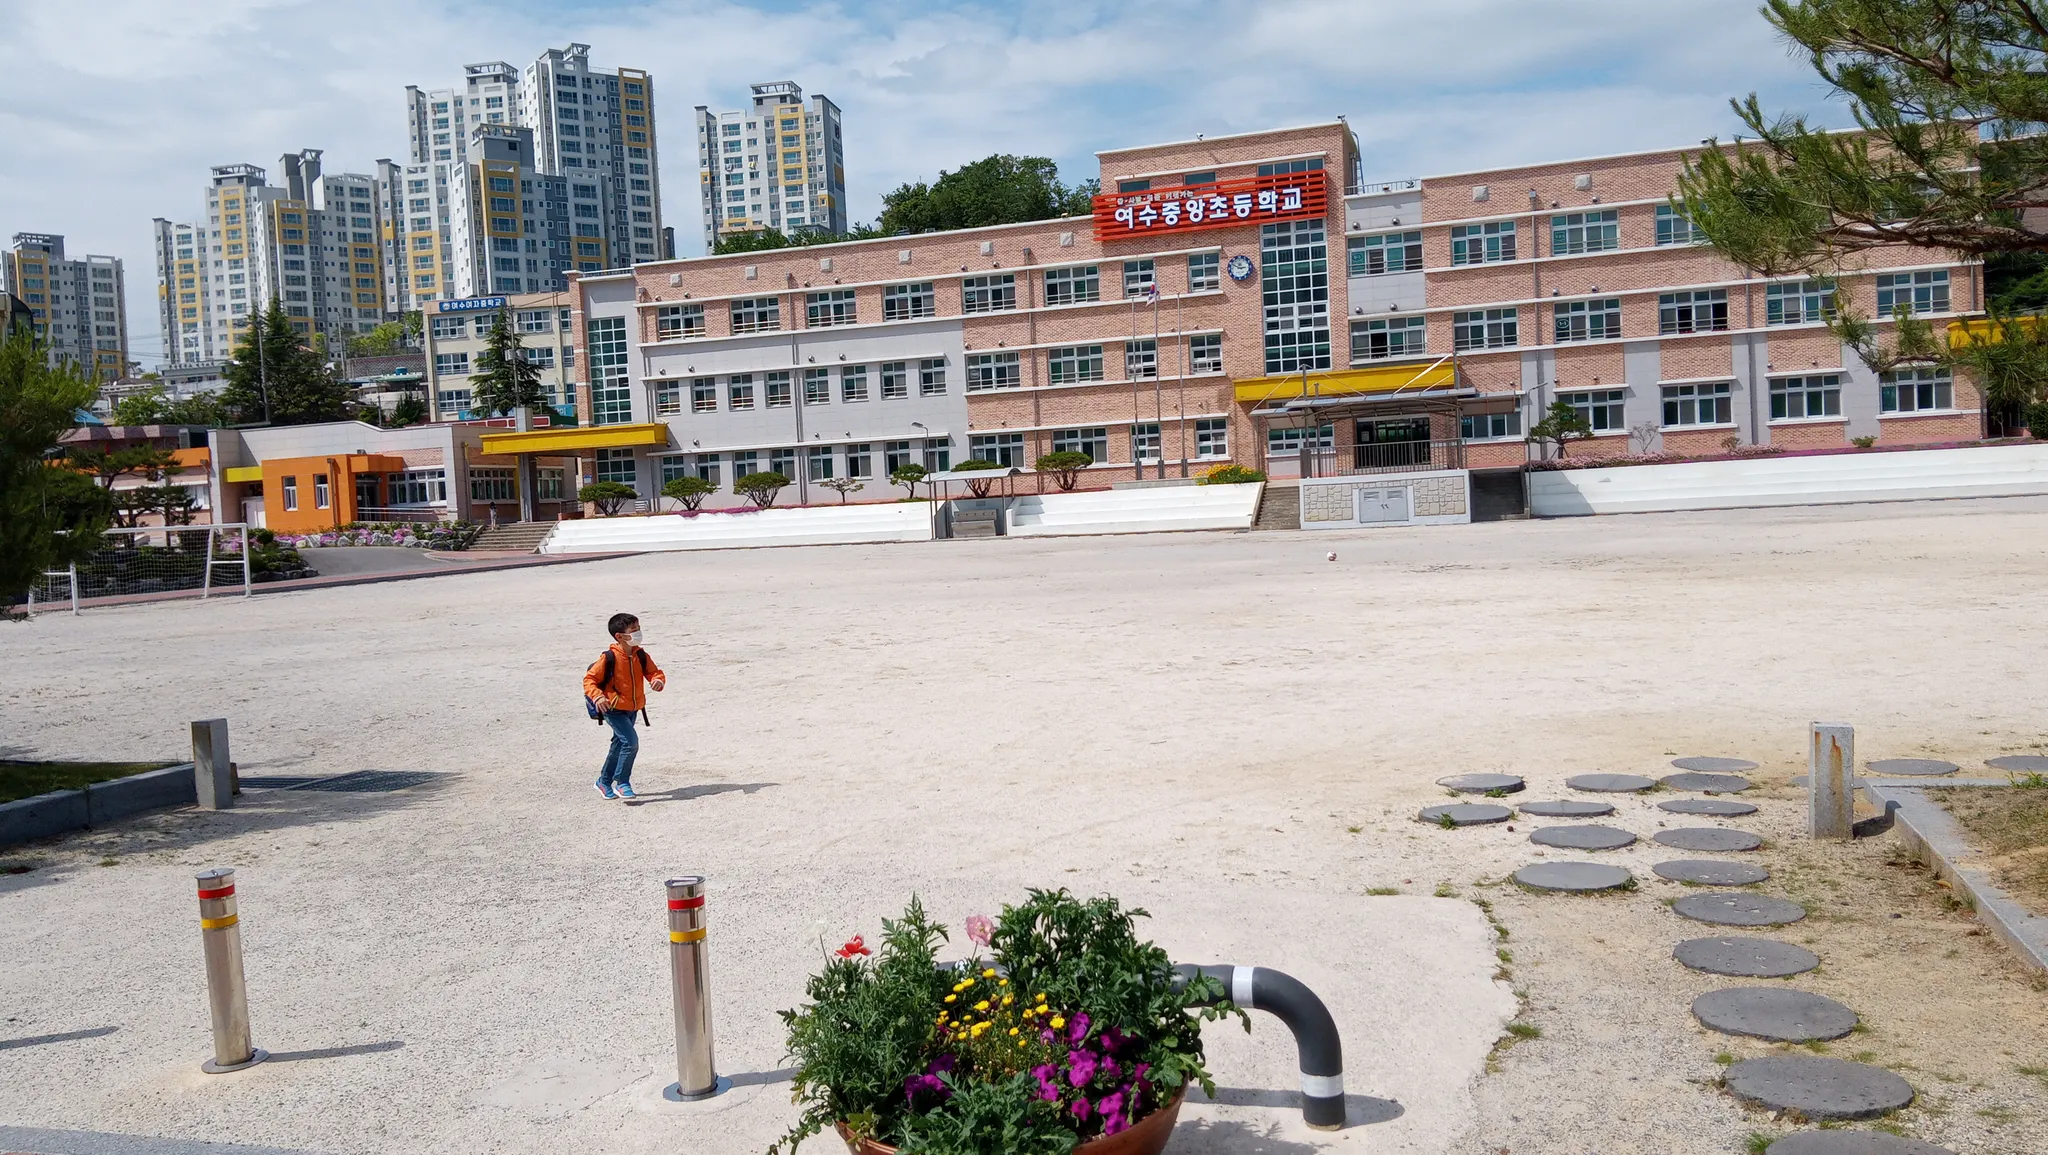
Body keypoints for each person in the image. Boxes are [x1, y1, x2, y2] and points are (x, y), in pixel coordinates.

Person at [583, 612, 665, 800]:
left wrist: (658, 680)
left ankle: (603, 782)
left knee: (619, 745)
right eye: (633, 630)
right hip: (612, 709)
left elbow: (654, 672)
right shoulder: (609, 657)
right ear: (619, 636)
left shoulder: (641, 655)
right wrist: (598, 697)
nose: (638, 633)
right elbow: (589, 680)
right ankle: (622, 782)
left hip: (632, 709)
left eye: (639, 628)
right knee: (630, 742)